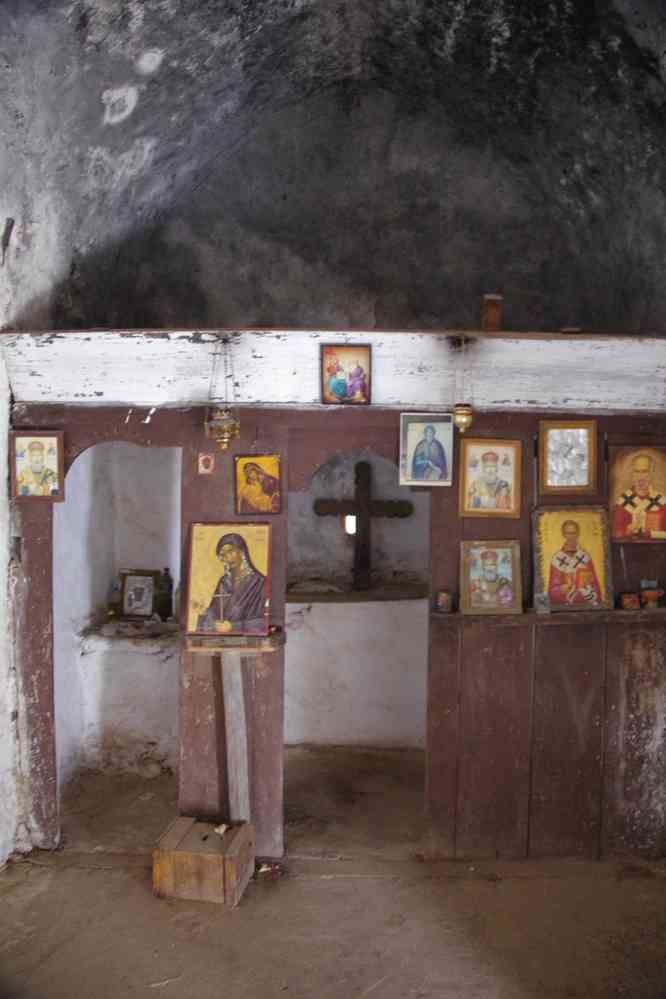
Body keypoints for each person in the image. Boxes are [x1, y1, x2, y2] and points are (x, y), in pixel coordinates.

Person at [197, 533, 267, 633]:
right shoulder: (223, 582)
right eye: (223, 555)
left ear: (242, 551)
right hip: (221, 641)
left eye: (230, 551)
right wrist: (205, 613)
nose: (227, 558)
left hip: (248, 640)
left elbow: (264, 622)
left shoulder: (259, 582)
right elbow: (214, 614)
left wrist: (233, 627)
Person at [547, 520, 602, 607]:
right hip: (564, 604)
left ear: (578, 534)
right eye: (568, 533)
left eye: (573, 533)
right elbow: (551, 592)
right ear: (563, 534)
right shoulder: (557, 559)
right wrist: (561, 590)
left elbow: (595, 587)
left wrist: (588, 590)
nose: (570, 536)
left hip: (584, 602)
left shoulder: (585, 557)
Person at [612, 452, 666, 539]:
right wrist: (627, 531)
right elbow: (615, 534)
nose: (640, 477)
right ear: (632, 474)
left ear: (651, 473)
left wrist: (650, 534)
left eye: (644, 471)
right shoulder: (623, 502)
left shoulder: (662, 503)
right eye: (637, 471)